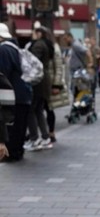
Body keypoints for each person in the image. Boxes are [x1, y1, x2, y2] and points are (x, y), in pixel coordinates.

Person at [0, 23, 32, 161]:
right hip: (23, 92)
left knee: (12, 126)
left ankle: (11, 153)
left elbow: (3, 73)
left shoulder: (3, 50)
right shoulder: (15, 47)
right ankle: (18, 151)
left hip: (12, 94)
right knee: (20, 125)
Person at [24, 26, 54, 152]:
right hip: (44, 80)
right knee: (39, 110)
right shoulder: (48, 44)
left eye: (34, 33)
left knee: (31, 110)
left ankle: (34, 138)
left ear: (39, 34)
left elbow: (33, 62)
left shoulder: (38, 45)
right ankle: (45, 137)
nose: (32, 34)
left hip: (38, 80)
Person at [45, 27, 70, 143]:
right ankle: (46, 133)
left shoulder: (54, 48)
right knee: (43, 108)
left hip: (50, 83)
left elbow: (59, 67)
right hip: (44, 83)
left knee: (50, 108)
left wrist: (56, 84)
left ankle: (51, 132)